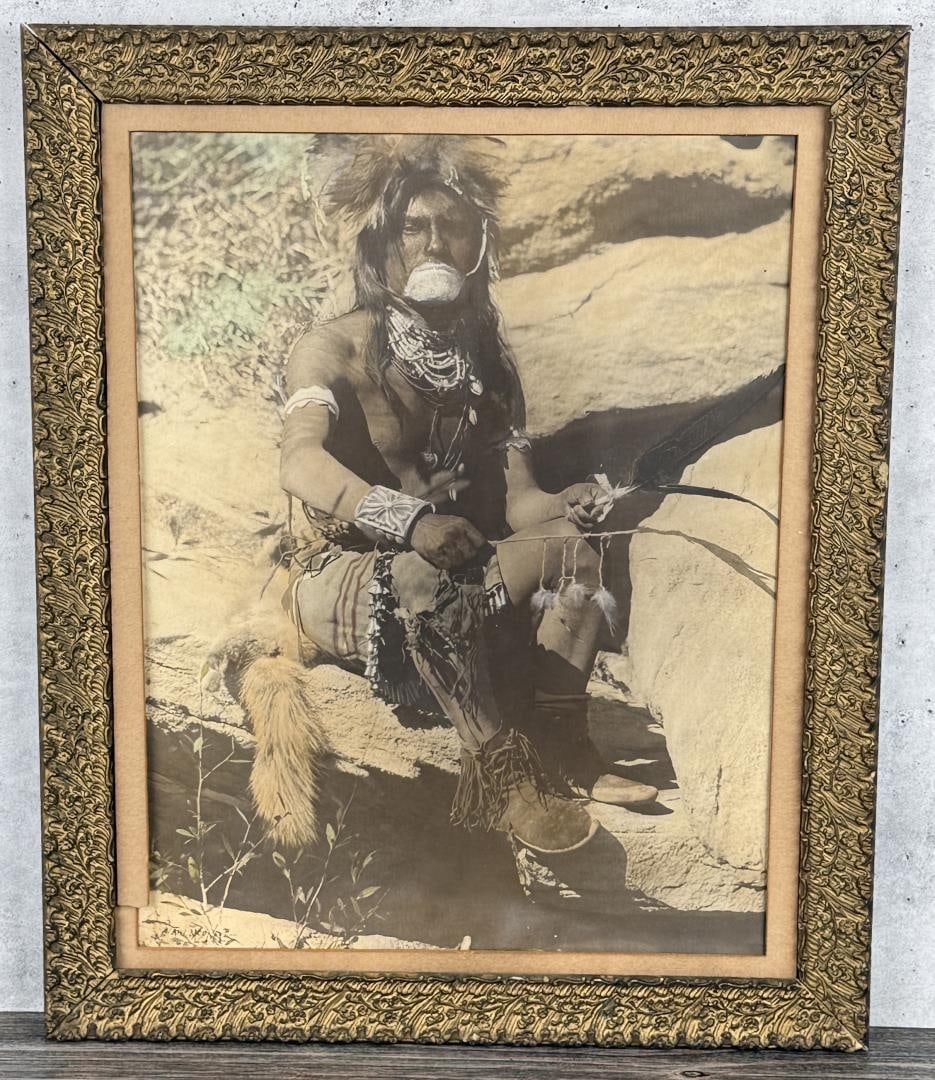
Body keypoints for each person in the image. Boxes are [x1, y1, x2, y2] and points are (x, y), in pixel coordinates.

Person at [278, 135, 658, 854]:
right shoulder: (331, 346)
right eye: (413, 227)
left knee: (571, 549)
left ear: (475, 243)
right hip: (342, 579)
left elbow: (518, 505)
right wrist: (411, 520)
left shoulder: (487, 366)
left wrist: (566, 501)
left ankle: (562, 744)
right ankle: (504, 776)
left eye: (450, 226)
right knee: (428, 573)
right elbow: (299, 464)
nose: (432, 243)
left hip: (454, 564)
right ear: (380, 243)